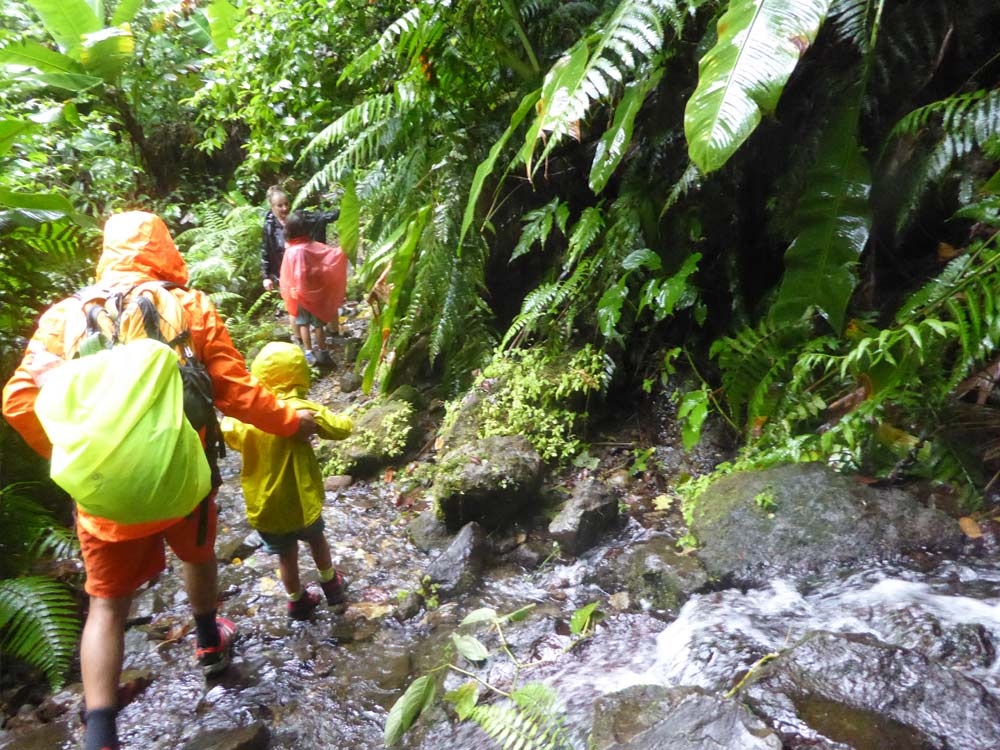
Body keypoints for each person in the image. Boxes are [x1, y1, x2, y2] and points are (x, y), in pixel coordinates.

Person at [2, 212, 319, 750]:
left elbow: (19, 402)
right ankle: (209, 644)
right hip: (183, 475)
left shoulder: (64, 317)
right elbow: (237, 393)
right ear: (164, 249)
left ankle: (100, 732)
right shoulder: (188, 306)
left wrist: (77, 459)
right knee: (198, 556)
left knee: (107, 605)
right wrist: (292, 422)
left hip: (103, 493)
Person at [221, 341, 353, 619]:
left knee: (286, 556)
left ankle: (297, 601)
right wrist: (337, 417)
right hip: (302, 502)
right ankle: (331, 584)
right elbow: (341, 429)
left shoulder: (248, 416)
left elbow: (227, 430)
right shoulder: (301, 408)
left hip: (266, 506)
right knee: (317, 540)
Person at [260, 186, 339, 342]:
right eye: (280, 205)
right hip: (287, 273)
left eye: (286, 203)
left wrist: (344, 211)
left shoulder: (299, 217)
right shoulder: (269, 226)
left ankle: (334, 335)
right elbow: (266, 250)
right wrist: (266, 276)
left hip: (310, 269)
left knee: (325, 298)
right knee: (294, 306)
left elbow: (322, 217)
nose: (285, 208)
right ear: (272, 207)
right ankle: (301, 342)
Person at [279, 211, 348, 368]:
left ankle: (308, 352)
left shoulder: (290, 249)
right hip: (313, 294)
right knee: (318, 325)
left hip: (297, 294)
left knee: (303, 324)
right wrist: (345, 248)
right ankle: (323, 352)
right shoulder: (308, 247)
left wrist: (293, 290)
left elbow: (287, 274)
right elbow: (329, 256)